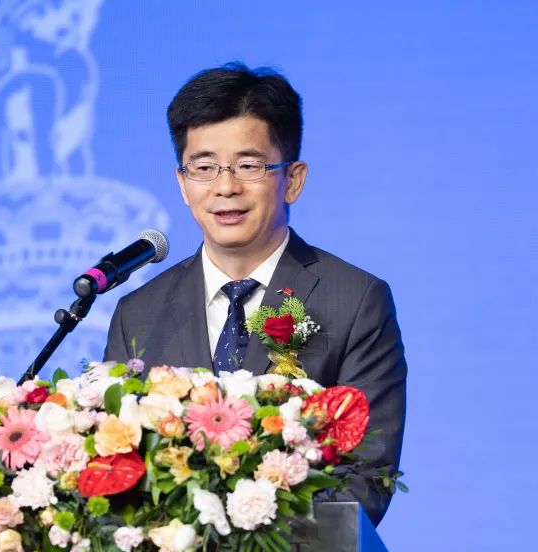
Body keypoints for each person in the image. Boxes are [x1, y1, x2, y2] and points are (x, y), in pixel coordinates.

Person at [103, 63, 407, 526]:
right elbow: (116, 464)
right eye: (204, 168)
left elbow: (366, 479)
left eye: (249, 166)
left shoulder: (355, 301)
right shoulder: (138, 314)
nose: (225, 187)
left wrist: (243, 540)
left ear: (293, 179)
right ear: (182, 183)